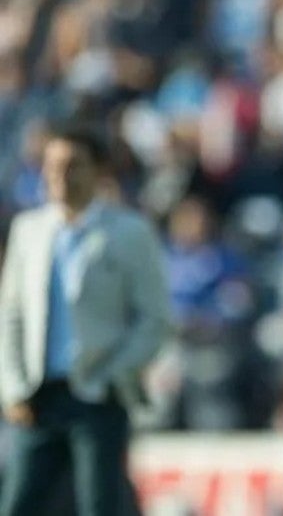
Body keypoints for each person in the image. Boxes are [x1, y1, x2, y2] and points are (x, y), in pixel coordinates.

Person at [0, 124, 171, 516]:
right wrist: (12, 387)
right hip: (39, 396)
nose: (59, 176)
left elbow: (154, 320)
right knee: (17, 505)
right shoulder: (29, 230)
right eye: (51, 166)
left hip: (98, 395)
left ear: (99, 170)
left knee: (100, 505)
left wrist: (112, 374)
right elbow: (11, 316)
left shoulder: (129, 232)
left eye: (72, 165)